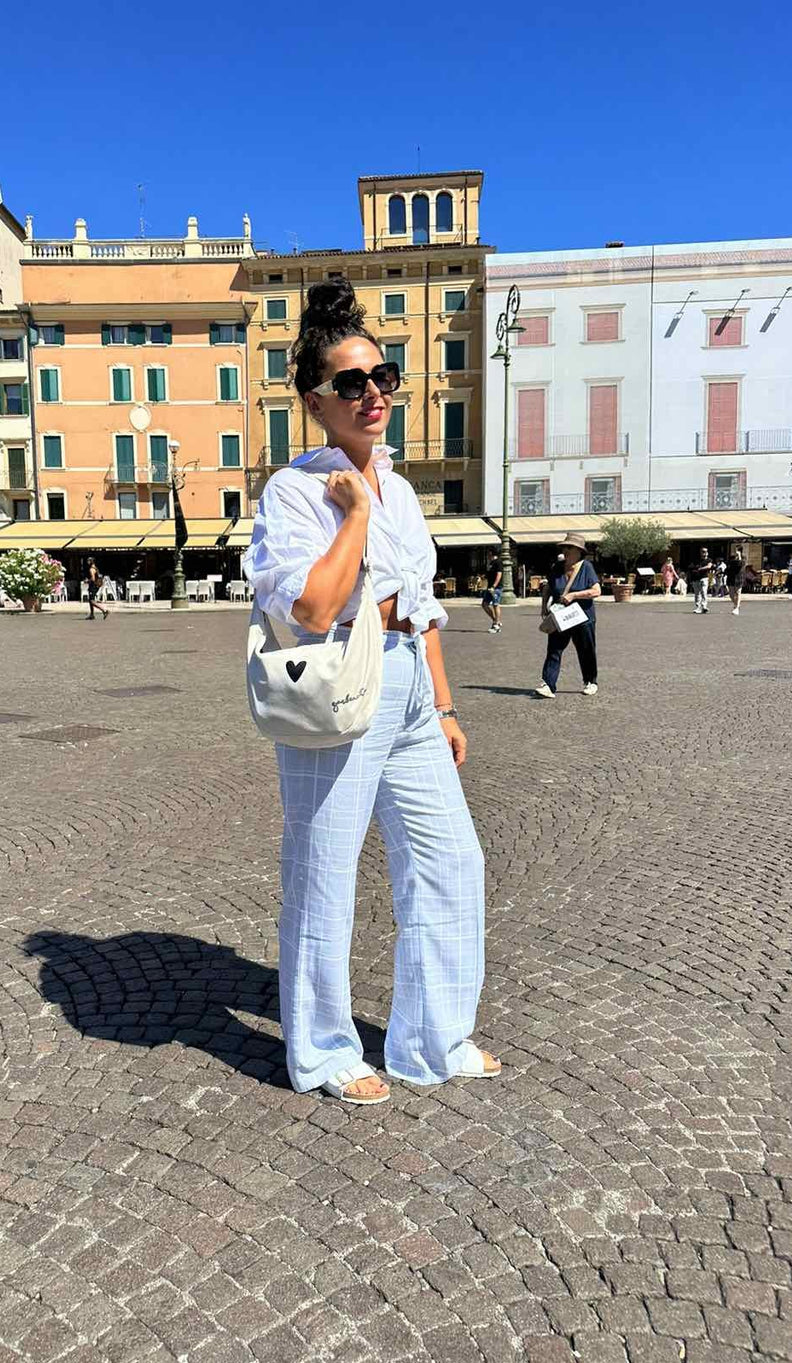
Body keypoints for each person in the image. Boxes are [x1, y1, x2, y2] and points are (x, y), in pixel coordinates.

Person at [243, 279, 498, 1106]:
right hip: (340, 689)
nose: (373, 394)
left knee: (450, 858)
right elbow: (313, 607)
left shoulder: (402, 487)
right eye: (351, 383)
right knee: (324, 871)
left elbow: (421, 606)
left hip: (412, 686)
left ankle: (432, 1040)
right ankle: (323, 1051)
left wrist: (444, 704)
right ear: (315, 402)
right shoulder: (295, 490)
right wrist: (351, 516)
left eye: (382, 376)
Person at [535, 534, 602, 699]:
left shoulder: (586, 567)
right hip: (561, 616)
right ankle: (548, 684)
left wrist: (574, 595)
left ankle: (590, 682)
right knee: (554, 649)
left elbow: (596, 591)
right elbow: (548, 588)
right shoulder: (557, 567)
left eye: (569, 547)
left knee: (586, 650)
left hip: (582, 617)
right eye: (564, 547)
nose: (565, 550)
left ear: (579, 551)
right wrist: (544, 607)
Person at [481, 552, 503, 633]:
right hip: (489, 587)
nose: (487, 556)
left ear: (492, 554)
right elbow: (490, 574)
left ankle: (496, 626)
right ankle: (496, 620)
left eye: (488, 554)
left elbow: (499, 575)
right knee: (484, 604)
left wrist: (494, 586)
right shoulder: (491, 563)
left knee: (495, 604)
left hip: (496, 588)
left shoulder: (498, 562)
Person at [689, 547, 714, 615]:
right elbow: (691, 567)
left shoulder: (709, 560)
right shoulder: (696, 560)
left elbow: (709, 566)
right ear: (700, 552)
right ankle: (698, 607)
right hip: (696, 578)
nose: (704, 553)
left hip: (704, 578)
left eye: (706, 552)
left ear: (707, 553)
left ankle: (704, 606)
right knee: (697, 594)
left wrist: (700, 569)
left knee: (704, 591)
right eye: (703, 551)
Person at [726, 547, 744, 616]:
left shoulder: (743, 559)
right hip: (730, 578)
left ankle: (736, 608)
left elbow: (740, 564)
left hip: (738, 578)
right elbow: (727, 568)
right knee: (731, 594)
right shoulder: (731, 559)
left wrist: (739, 557)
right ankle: (736, 604)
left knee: (738, 592)